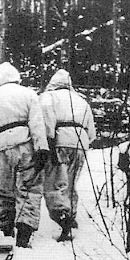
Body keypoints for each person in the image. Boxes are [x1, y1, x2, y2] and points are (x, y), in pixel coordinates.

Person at [0, 62, 50, 248]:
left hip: (1, 148)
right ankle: (24, 232)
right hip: (25, 144)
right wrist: (42, 148)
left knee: (4, 190)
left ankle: (5, 229)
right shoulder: (28, 94)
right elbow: (37, 123)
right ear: (17, 77)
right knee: (29, 188)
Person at [40, 69, 96, 242]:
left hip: (59, 142)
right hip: (80, 144)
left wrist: (47, 143)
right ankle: (71, 217)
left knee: (54, 184)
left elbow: (46, 122)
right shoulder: (81, 101)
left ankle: (63, 220)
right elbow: (92, 132)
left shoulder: (48, 98)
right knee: (71, 184)